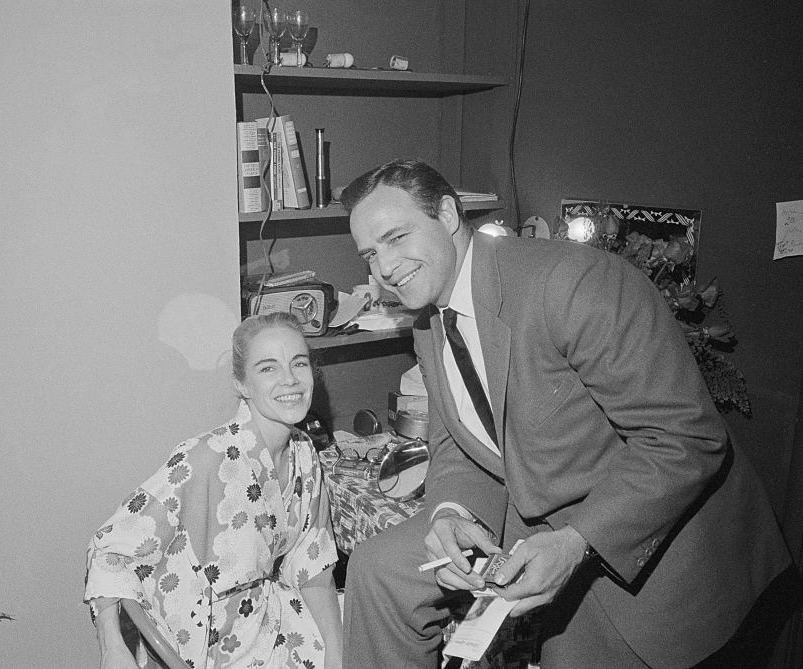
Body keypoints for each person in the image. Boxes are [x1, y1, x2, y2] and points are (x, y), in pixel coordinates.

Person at [339, 159, 797, 669]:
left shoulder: (573, 282)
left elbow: (685, 439)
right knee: (378, 569)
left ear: (447, 214)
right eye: (370, 255)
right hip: (539, 508)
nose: (384, 267)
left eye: (397, 237)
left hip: (659, 542)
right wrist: (451, 512)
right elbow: (455, 441)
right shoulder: (427, 323)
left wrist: (577, 543)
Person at [85, 312, 343, 669]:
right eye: (268, 368)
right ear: (241, 384)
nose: (290, 380)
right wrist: (113, 648)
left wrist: (336, 650)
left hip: (268, 621)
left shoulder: (304, 453)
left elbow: (312, 568)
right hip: (202, 643)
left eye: (298, 363)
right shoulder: (205, 456)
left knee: (369, 634)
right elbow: (109, 549)